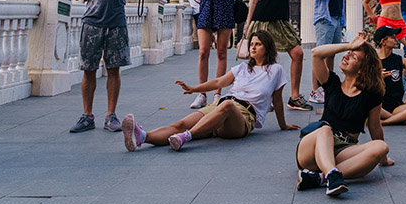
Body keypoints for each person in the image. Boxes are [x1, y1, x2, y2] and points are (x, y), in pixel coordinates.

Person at [120, 30, 299, 151]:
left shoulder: (276, 70)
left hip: (243, 117)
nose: (252, 47)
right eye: (251, 43)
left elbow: (277, 100)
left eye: (258, 44)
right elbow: (218, 82)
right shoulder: (243, 68)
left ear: (267, 47)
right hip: (219, 107)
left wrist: (283, 125)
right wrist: (193, 88)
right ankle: (142, 136)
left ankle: (187, 136)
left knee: (228, 104)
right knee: (180, 124)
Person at [69, 0, 145, 133]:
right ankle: (87, 116)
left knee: (114, 70)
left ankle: (111, 116)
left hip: (116, 22)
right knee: (89, 70)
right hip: (92, 21)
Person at [295, 33, 391, 198]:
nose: (346, 56)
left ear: (362, 68)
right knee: (325, 129)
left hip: (344, 149)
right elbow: (316, 54)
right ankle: (332, 174)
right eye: (348, 53)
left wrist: (382, 159)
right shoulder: (331, 82)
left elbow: (375, 126)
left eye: (353, 56)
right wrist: (349, 45)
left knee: (381, 147)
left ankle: (321, 177)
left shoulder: (371, 95)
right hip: (313, 146)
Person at [244, 0, 313, 111]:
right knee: (263, 61)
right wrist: (248, 23)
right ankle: (260, 97)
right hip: (262, 21)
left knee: (297, 53)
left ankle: (295, 97)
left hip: (281, 22)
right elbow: (253, 2)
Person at [308, 0, 347, 105]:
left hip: (337, 17)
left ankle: (328, 87)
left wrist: (343, 19)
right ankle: (316, 91)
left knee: (331, 55)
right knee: (320, 55)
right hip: (325, 17)